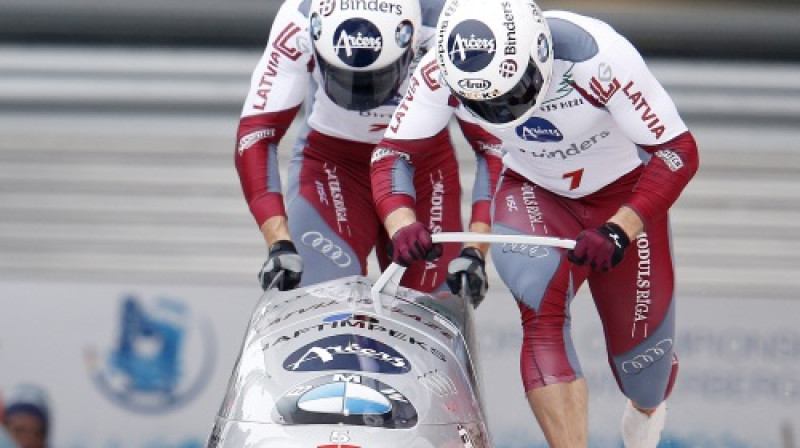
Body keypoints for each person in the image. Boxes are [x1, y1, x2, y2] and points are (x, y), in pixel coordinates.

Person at [369, 0, 699, 446]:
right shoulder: (438, 72)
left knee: (644, 376)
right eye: (484, 102)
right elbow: (392, 153)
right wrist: (401, 221)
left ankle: (647, 412)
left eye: (514, 92)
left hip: (624, 194)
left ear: (540, 51)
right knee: (541, 317)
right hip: (534, 191)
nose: (503, 111)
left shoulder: (599, 58)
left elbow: (678, 152)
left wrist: (622, 226)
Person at [235, 0, 503, 293]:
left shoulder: (451, 29)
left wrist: (476, 250)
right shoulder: (298, 20)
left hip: (420, 170)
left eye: (377, 77)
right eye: (344, 78)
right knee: (323, 301)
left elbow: (493, 146)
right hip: (333, 164)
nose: (361, 92)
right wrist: (279, 243)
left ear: (411, 42)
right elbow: (255, 136)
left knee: (428, 307)